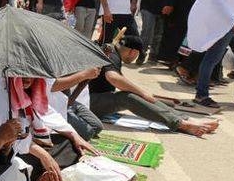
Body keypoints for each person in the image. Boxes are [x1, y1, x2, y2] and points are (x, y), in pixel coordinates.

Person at [89, 36, 220, 136]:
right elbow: (113, 77)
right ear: (133, 52)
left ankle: (185, 118)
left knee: (135, 94)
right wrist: (142, 93)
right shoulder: (112, 54)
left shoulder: (111, 50)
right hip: (87, 103)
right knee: (127, 97)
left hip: (92, 99)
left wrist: (142, 93)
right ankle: (180, 124)